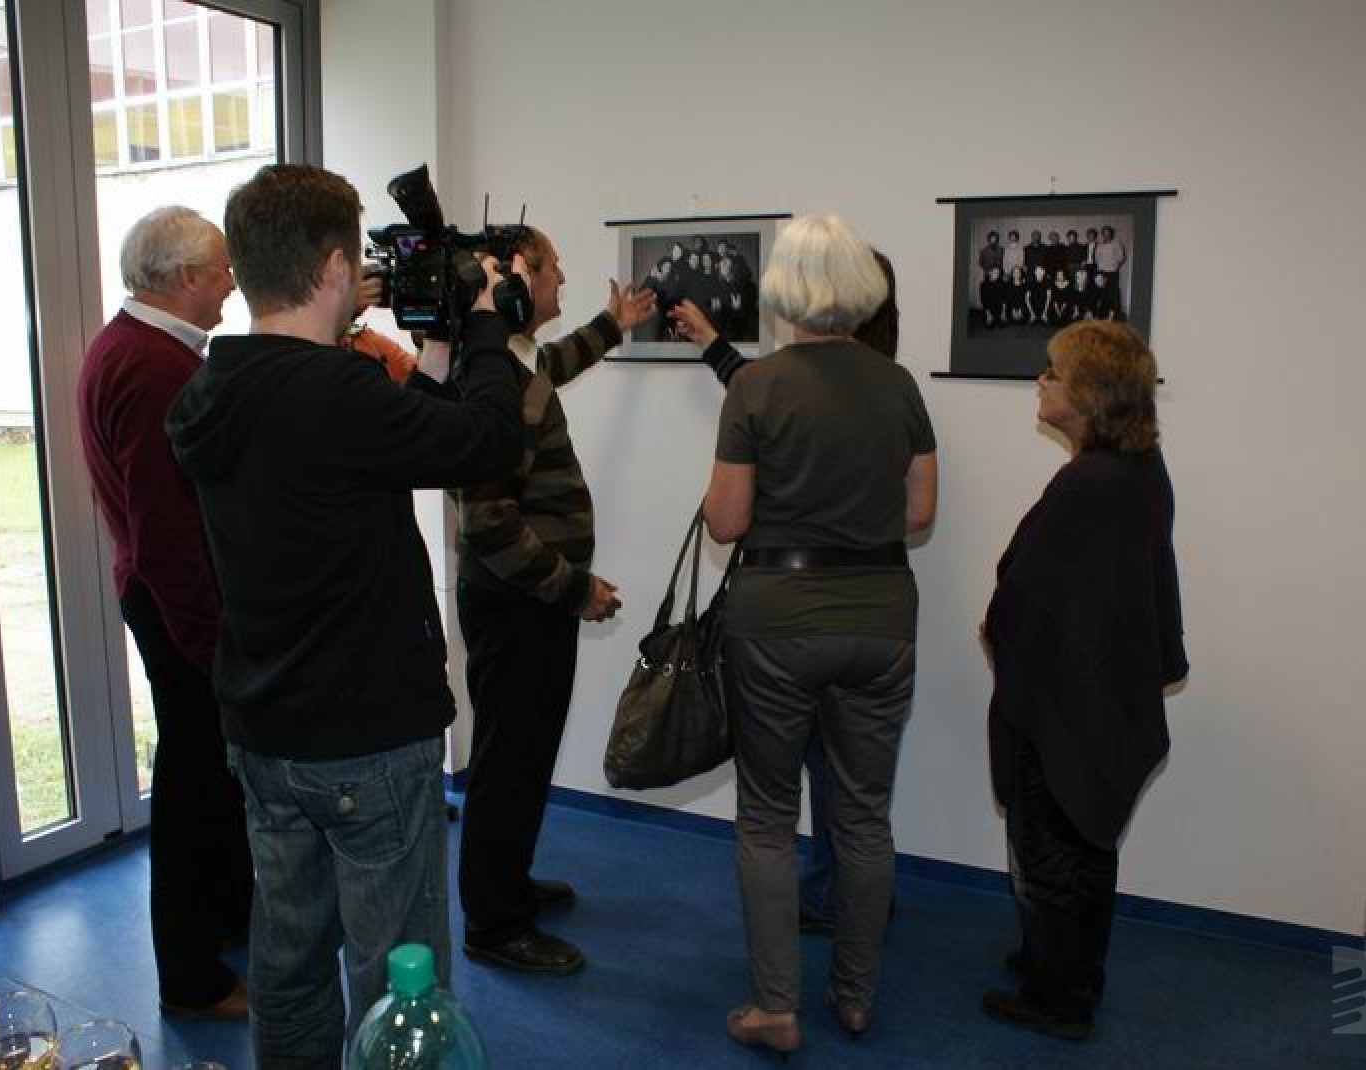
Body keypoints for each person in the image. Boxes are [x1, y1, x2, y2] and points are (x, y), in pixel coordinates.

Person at [164, 163, 526, 1067]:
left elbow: (393, 444)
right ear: (334, 267)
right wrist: (486, 320)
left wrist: (433, 355)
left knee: (288, 965)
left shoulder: (211, 389)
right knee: (397, 979)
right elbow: (490, 443)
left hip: (265, 732)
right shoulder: (335, 394)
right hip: (367, 736)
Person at [699, 215, 937, 1056]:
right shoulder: (898, 385)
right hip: (881, 619)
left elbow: (726, 523)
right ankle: (857, 998)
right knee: (864, 817)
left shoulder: (757, 386)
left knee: (768, 818)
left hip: (777, 622)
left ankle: (776, 1009)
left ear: (784, 291)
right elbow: (919, 512)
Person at [451, 228, 654, 977]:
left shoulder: (516, 362)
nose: (563, 279)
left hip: (529, 599)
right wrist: (575, 589)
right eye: (554, 269)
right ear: (516, 277)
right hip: (517, 600)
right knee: (508, 760)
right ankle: (494, 923)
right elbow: (489, 523)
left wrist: (613, 325)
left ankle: (508, 882)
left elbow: (555, 362)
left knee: (525, 752)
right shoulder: (490, 379)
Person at [979, 320, 1186, 1042]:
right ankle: (1070, 968)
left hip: (1068, 696)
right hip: (1101, 692)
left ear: (1091, 394)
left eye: (1053, 372)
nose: (1041, 382)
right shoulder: (1137, 468)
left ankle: (1057, 998)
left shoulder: (1090, 485)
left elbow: (1030, 589)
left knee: (1052, 848)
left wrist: (1001, 625)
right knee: (1087, 840)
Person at [76, 205, 253, 1020]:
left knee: (209, 779)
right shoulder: (153, 367)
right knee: (192, 789)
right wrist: (211, 642)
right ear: (183, 278)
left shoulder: (129, 346)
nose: (231, 283)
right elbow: (167, 530)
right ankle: (192, 979)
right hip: (179, 605)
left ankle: (223, 924)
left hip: (165, 597)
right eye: (221, 269)